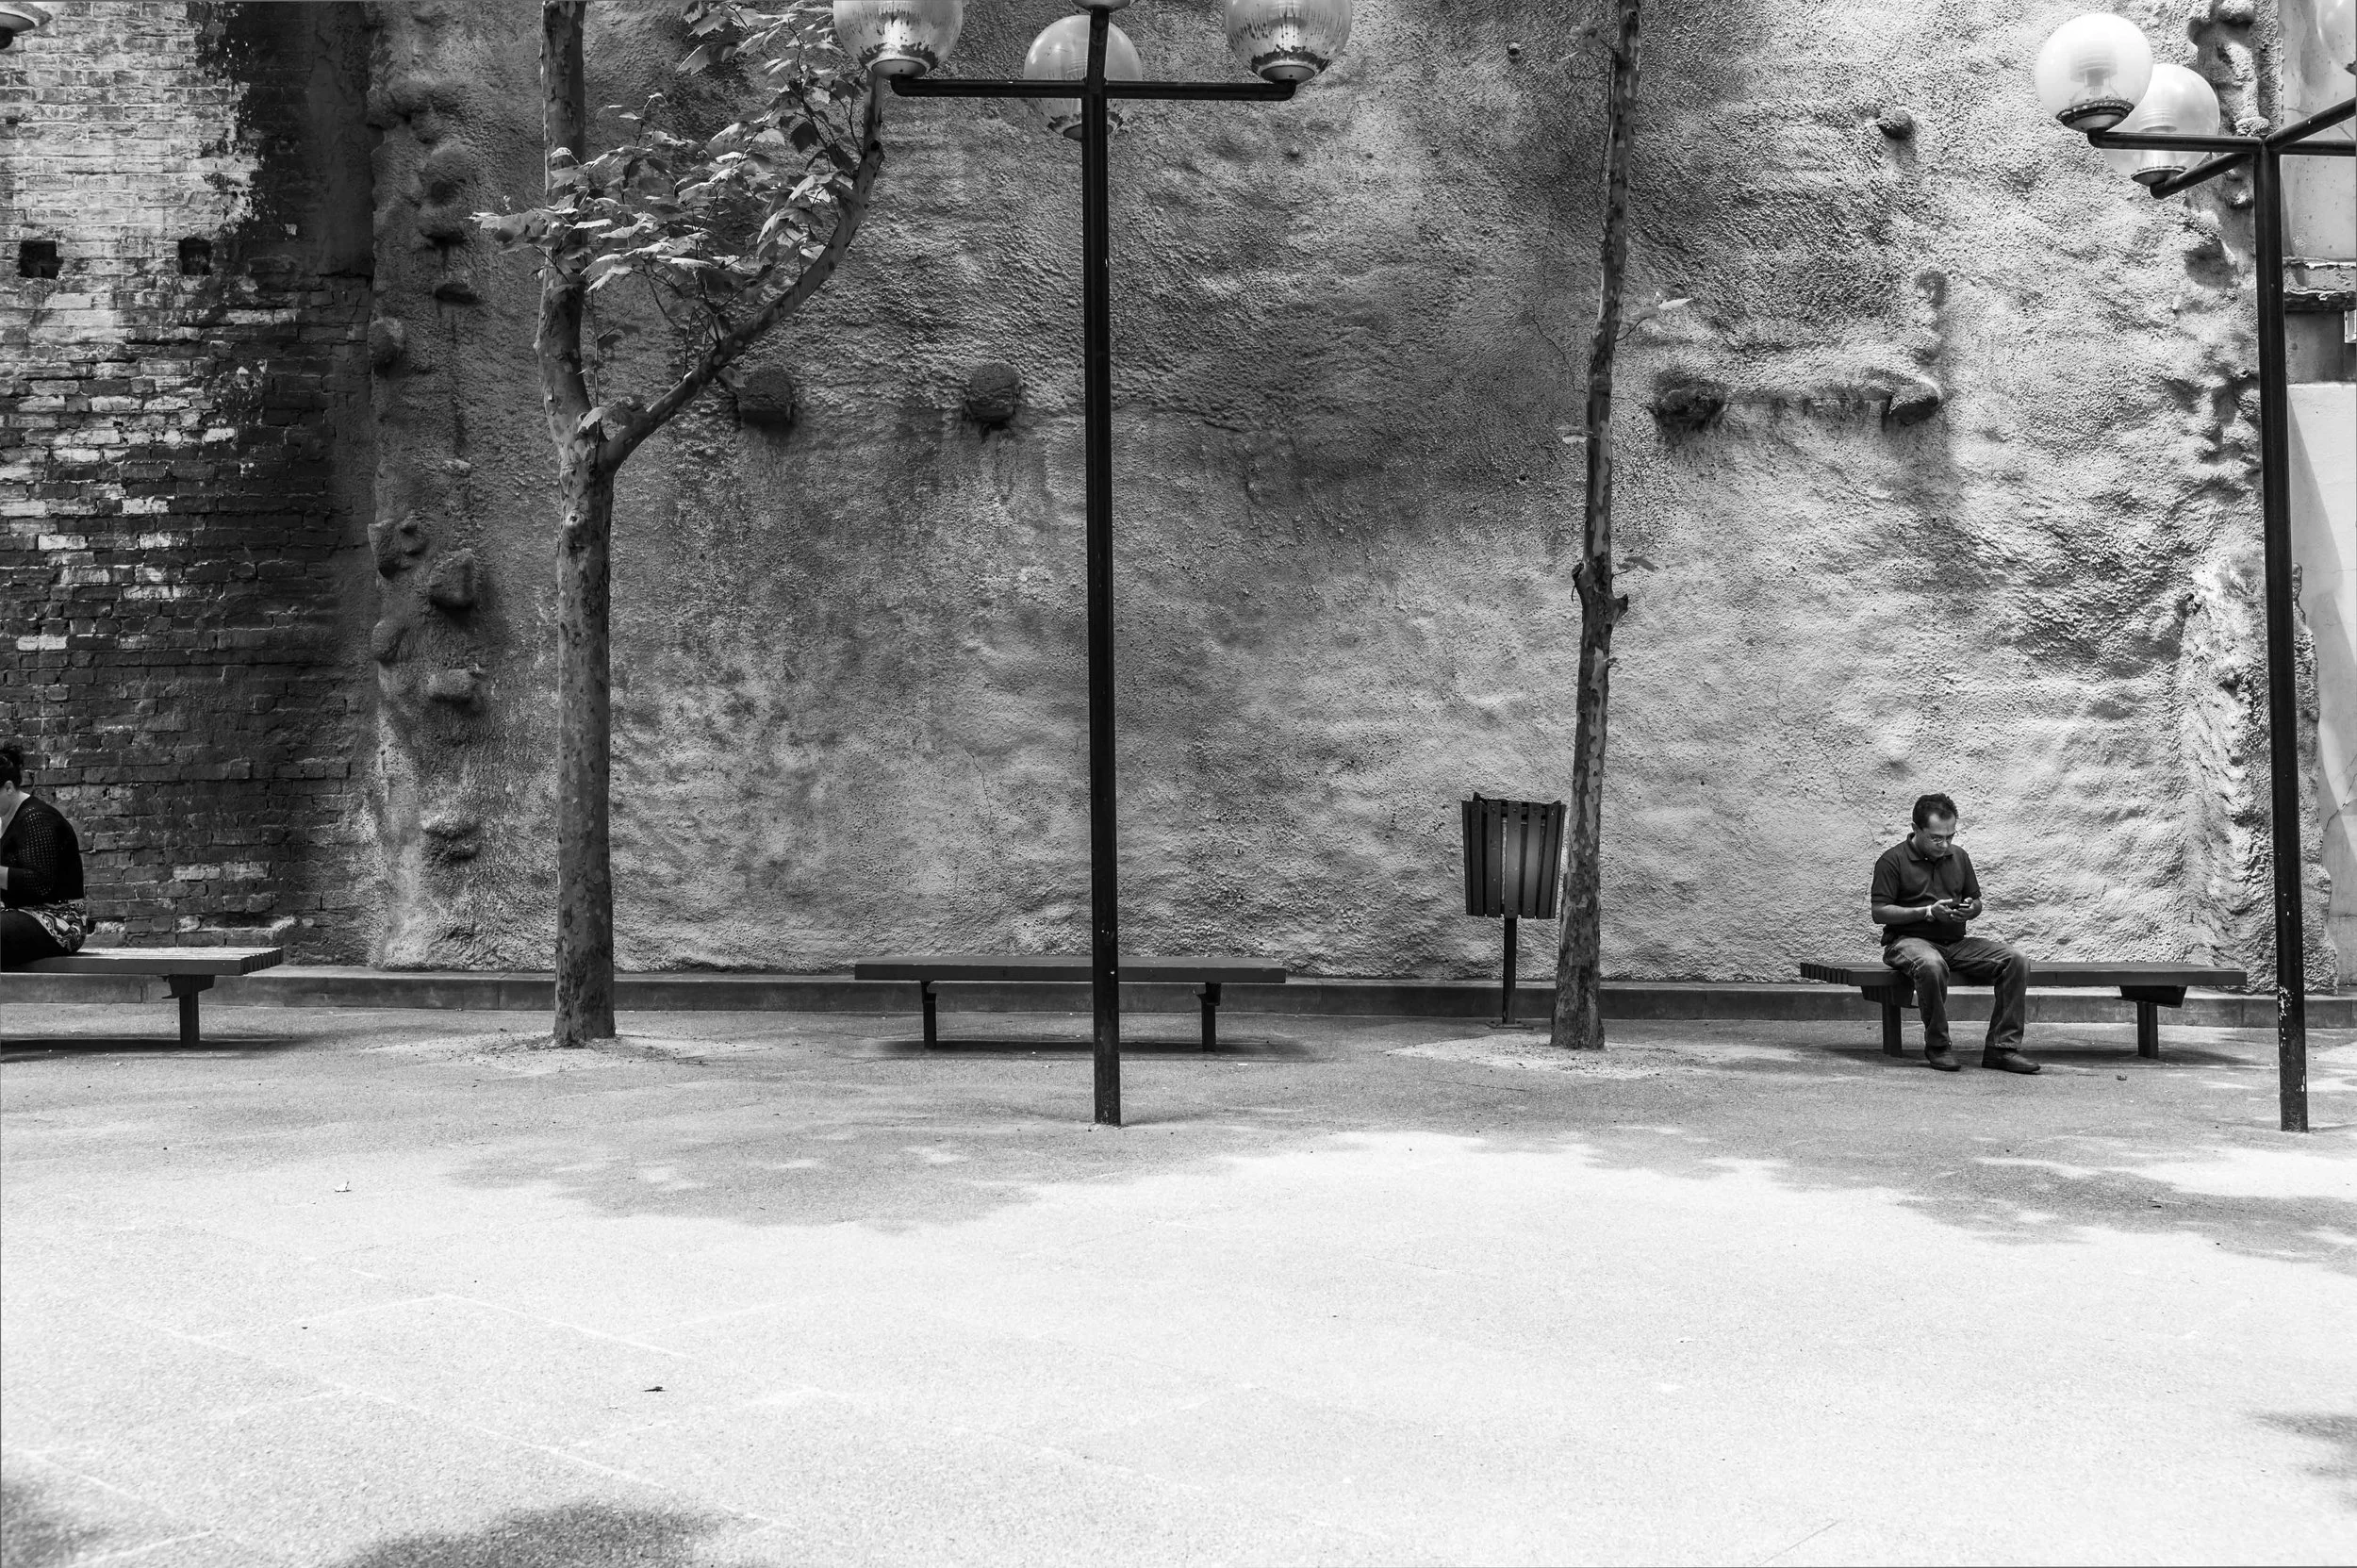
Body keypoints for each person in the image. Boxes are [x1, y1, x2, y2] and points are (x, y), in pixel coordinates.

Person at [1870, 793, 2038, 1074]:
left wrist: (1971, 910)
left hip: (1954, 943)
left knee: (2016, 959)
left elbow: (1977, 901)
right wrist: (1926, 912)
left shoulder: (1959, 857)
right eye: (1936, 838)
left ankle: (2002, 1049)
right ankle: (1938, 1046)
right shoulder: (1892, 861)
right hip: (1907, 942)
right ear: (1915, 828)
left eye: (1950, 836)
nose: (1945, 844)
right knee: (1931, 964)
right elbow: (1880, 912)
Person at [1, 741, 89, 970]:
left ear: (8, 788)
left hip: (60, 920)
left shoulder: (35, 818)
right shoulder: (4, 819)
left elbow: (40, 883)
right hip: (18, 915)